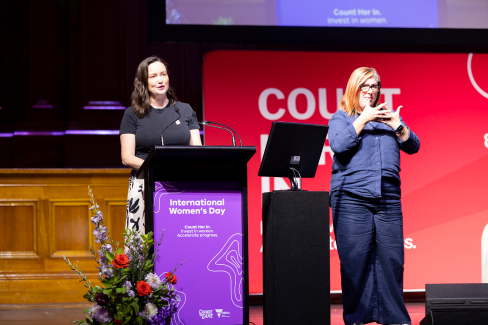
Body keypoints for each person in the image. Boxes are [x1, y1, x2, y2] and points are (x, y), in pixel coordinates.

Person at [328, 67, 420, 325]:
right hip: (352, 198)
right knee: (355, 262)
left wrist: (397, 124)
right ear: (354, 89)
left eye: (375, 86)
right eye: (364, 86)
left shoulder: (387, 118)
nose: (370, 91)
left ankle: (396, 319)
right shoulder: (341, 117)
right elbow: (339, 144)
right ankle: (357, 318)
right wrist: (363, 119)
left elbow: (414, 144)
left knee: (392, 261)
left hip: (388, 198)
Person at [119, 56, 202, 233]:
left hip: (183, 183)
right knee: (143, 244)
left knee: (181, 237)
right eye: (153, 76)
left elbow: (197, 150)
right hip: (145, 184)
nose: (160, 80)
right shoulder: (132, 114)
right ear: (144, 81)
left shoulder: (184, 110)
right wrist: (156, 169)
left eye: (163, 74)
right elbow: (126, 157)